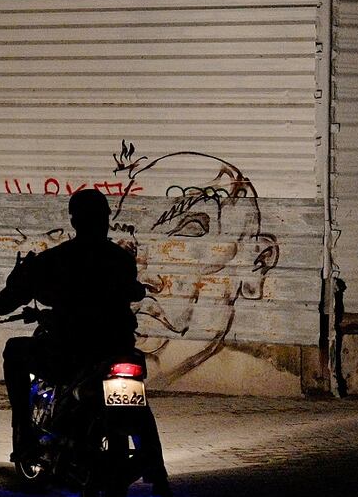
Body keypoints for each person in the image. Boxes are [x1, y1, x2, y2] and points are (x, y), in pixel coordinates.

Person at [0, 188, 172, 497]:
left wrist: (18, 278)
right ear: (106, 219)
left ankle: (24, 431)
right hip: (117, 351)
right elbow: (131, 290)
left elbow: (4, 303)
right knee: (138, 404)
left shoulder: (57, 259)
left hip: (70, 354)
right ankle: (159, 478)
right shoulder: (121, 259)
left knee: (14, 352)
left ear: (74, 220)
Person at [109, 151, 279, 387]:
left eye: (189, 231)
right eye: (129, 247)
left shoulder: (268, 380)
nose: (145, 278)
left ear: (257, 264)